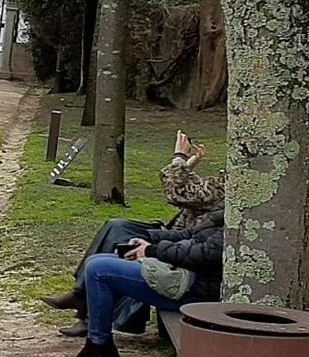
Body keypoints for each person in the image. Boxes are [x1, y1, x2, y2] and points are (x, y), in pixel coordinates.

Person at [43, 130, 226, 336]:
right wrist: (190, 164)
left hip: (182, 248)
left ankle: (87, 310)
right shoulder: (231, 184)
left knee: (116, 240)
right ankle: (81, 298)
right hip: (177, 236)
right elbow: (196, 194)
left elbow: (182, 193)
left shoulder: (233, 186)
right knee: (115, 227)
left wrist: (180, 157)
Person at [60, 208, 225, 357]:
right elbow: (189, 234)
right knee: (96, 261)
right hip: (183, 274)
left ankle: (99, 347)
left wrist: (151, 250)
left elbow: (204, 255)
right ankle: (99, 343)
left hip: (194, 289)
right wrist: (148, 239)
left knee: (98, 269)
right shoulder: (224, 214)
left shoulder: (233, 225)